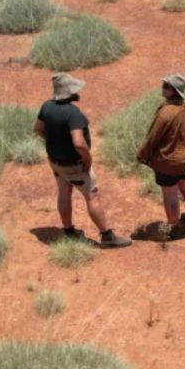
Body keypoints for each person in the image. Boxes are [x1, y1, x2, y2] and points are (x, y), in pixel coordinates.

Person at [34, 72, 131, 248]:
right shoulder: (73, 113)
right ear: (70, 92)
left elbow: (38, 129)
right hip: (74, 165)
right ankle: (107, 236)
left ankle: (69, 231)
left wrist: (55, 142)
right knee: (92, 196)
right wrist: (87, 158)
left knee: (64, 192)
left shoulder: (46, 106)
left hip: (56, 161)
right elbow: (79, 142)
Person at [135, 73, 185, 237]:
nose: (162, 88)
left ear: (173, 91)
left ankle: (174, 228)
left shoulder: (166, 113)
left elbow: (152, 138)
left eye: (166, 86)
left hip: (169, 163)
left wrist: (142, 155)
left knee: (170, 193)